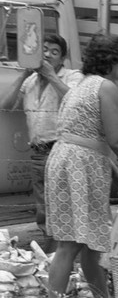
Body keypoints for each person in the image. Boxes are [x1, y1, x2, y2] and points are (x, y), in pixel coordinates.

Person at [45, 33, 118, 298]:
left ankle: (103, 297)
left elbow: (90, 136)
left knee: (90, 245)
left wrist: (114, 167)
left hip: (66, 160)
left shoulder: (82, 85)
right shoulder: (105, 87)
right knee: (72, 243)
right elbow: (117, 140)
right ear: (112, 62)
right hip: (80, 166)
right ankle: (53, 296)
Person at [0, 34, 83, 252]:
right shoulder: (29, 81)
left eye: (54, 52)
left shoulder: (72, 76)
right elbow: (6, 105)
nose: (47, 54)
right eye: (44, 49)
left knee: (62, 205)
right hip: (38, 153)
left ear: (62, 58)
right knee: (43, 208)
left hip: (61, 150)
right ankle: (52, 252)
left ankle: (64, 253)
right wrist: (23, 75)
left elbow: (76, 103)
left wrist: (52, 77)